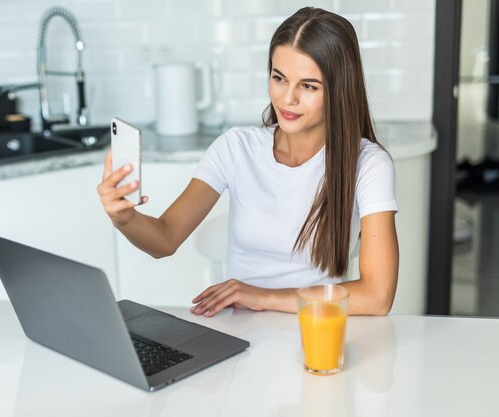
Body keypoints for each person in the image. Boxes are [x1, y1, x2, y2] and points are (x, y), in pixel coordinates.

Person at [97, 7, 399, 317]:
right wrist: (125, 218)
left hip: (317, 337)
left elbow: (378, 296)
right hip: (240, 340)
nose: (287, 99)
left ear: (339, 90)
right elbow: (164, 239)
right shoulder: (235, 148)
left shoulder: (368, 164)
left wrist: (262, 297)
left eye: (308, 86)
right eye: (279, 78)